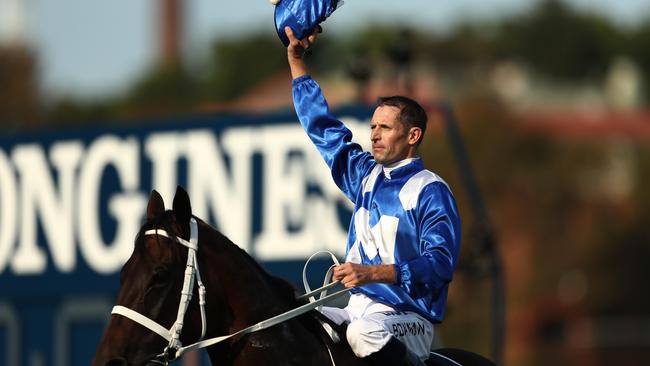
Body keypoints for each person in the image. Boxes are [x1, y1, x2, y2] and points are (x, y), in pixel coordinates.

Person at [285, 27, 461, 366]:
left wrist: (372, 273)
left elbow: (440, 264)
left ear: (413, 135)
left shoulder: (431, 190)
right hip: (357, 309)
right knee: (297, 320)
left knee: (363, 333)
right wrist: (297, 66)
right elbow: (324, 129)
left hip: (409, 318)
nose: (374, 136)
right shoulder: (365, 176)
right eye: (372, 128)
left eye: (385, 128)